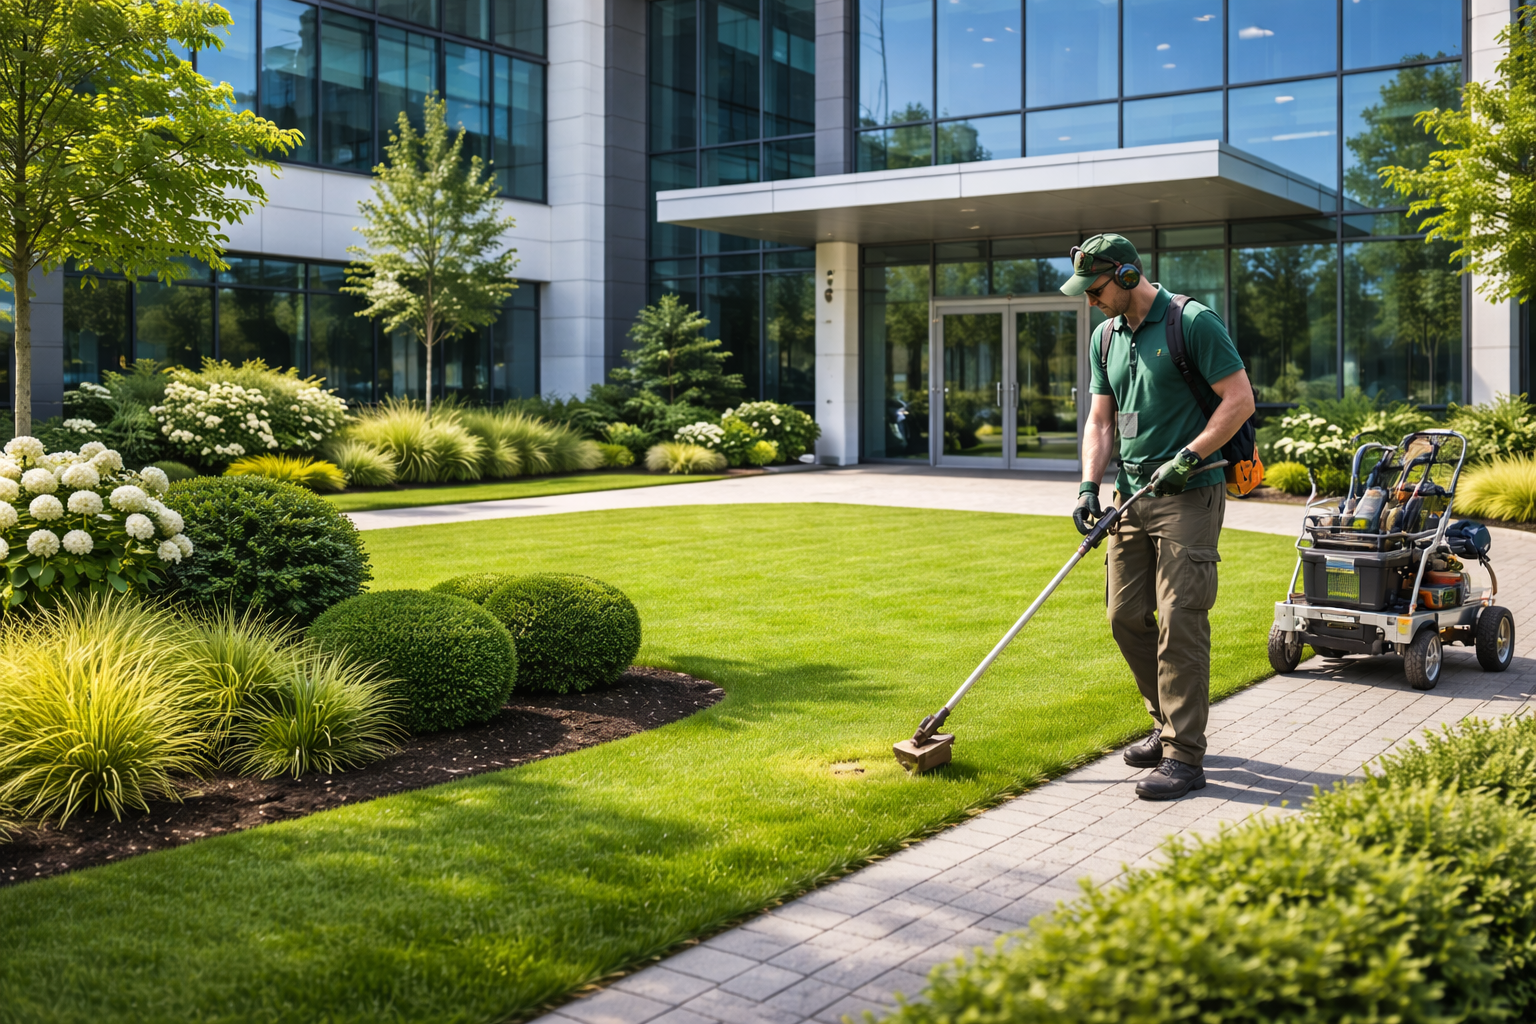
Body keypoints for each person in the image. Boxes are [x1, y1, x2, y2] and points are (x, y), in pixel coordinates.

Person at [1060, 233, 1256, 800]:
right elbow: (1101, 421)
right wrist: (1086, 488)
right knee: (1124, 617)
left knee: (1180, 619)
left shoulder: (1190, 323)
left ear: (1125, 277)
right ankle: (1163, 722)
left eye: (1095, 290)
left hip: (1189, 493)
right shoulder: (1105, 337)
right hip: (1129, 497)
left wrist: (1189, 456)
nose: (1090, 301)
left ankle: (1184, 757)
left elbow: (1239, 399)